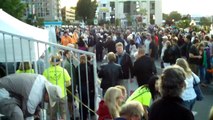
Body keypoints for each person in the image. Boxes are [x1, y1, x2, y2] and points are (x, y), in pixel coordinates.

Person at [43, 55, 71, 120]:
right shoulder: (63, 70)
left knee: (53, 114)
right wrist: (63, 86)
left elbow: (43, 83)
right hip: (62, 94)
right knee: (63, 113)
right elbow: (69, 82)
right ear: (59, 62)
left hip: (51, 96)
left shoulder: (46, 71)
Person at [77, 55, 95, 120]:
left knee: (82, 102)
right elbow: (91, 78)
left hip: (80, 86)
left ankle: (83, 115)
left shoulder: (78, 67)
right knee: (89, 100)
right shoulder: (88, 67)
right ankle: (90, 113)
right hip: (88, 86)